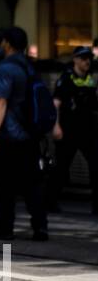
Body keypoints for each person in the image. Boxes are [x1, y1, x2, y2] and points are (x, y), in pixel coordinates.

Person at [0, 26, 49, 241]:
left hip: (10, 135)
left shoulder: (6, 68)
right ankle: (40, 226)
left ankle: (4, 227)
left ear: (8, 44)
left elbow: (0, 101)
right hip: (30, 134)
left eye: (2, 41)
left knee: (5, 185)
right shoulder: (29, 66)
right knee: (33, 184)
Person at [50, 47, 98, 214]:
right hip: (68, 131)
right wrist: (55, 126)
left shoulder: (89, 80)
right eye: (84, 58)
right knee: (61, 168)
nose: (87, 61)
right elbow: (56, 104)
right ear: (75, 59)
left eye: (89, 58)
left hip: (87, 131)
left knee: (95, 166)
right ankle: (50, 201)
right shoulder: (66, 79)